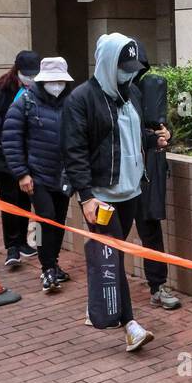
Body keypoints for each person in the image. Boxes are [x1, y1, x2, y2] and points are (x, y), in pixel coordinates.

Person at [62, 34, 164, 352]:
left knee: (114, 254)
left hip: (131, 191)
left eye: (133, 68)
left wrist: (153, 140)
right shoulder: (82, 99)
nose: (129, 74)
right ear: (107, 64)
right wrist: (86, 196)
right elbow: (74, 151)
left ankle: (101, 308)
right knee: (115, 257)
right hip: (102, 196)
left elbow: (128, 138)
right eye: (124, 68)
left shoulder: (131, 93)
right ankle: (130, 325)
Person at [3, 57, 74, 295]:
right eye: (52, 80)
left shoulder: (71, 103)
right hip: (37, 175)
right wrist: (22, 173)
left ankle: (52, 262)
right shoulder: (25, 101)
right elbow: (11, 139)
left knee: (58, 221)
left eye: (60, 81)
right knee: (45, 218)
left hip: (63, 175)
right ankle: (47, 267)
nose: (56, 85)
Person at [0, 50, 41, 268]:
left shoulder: (41, 89)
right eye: (26, 74)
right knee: (10, 200)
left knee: (29, 201)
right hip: (5, 156)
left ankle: (27, 242)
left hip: (31, 154)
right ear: (17, 70)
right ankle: (12, 246)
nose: (30, 78)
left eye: (34, 74)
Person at [131, 43, 181, 310]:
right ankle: (105, 290)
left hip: (147, 173)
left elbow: (162, 125)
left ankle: (157, 286)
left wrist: (165, 134)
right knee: (111, 235)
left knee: (151, 230)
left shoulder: (149, 91)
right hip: (118, 179)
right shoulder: (105, 95)